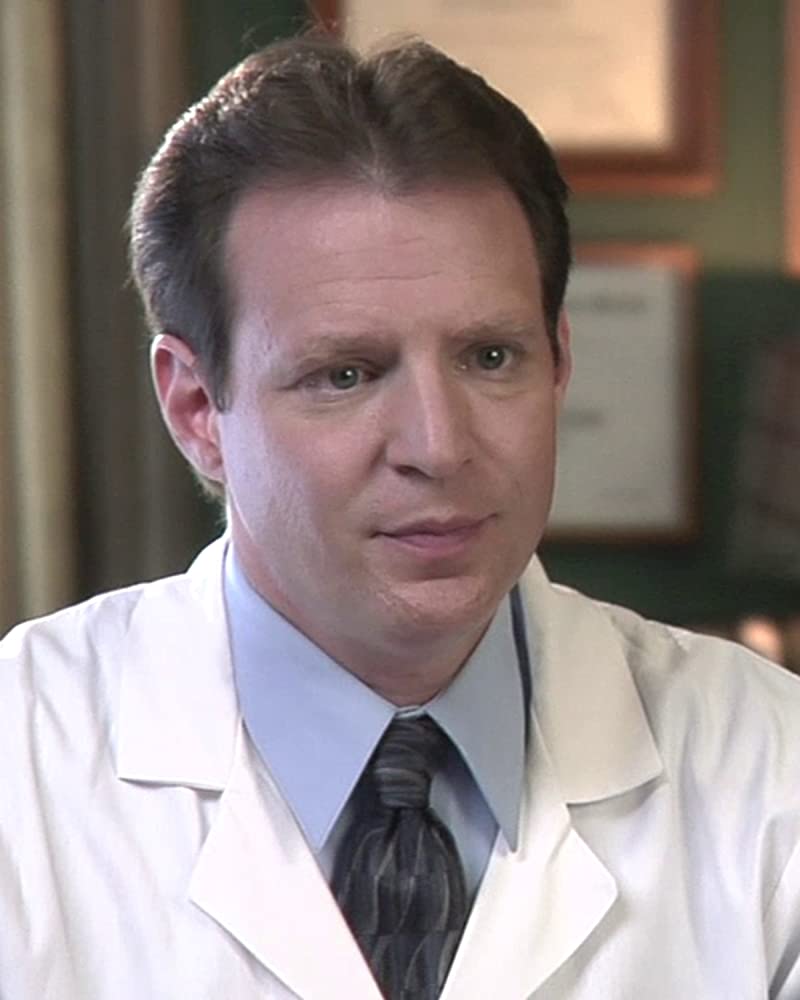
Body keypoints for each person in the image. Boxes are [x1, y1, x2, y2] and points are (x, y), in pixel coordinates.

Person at [1, 32, 799, 1000]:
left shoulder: (769, 770)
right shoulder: (23, 768)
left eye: (490, 358)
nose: (439, 444)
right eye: (345, 374)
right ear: (198, 409)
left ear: (559, 362)